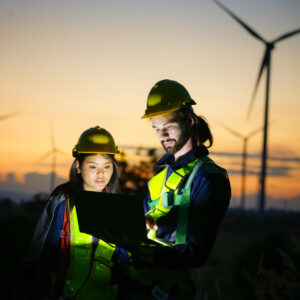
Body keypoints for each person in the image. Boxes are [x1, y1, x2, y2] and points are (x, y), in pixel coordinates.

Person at [117, 79, 231, 299]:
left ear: (189, 121)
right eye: (157, 129)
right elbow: (145, 232)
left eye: (168, 127)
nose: (162, 135)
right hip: (141, 286)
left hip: (177, 291)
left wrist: (143, 252)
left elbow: (196, 254)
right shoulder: (158, 180)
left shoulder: (208, 177)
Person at [26, 126, 128, 300]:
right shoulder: (62, 201)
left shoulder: (119, 207)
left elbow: (126, 258)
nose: (101, 174)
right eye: (93, 167)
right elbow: (40, 254)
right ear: (79, 167)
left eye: (107, 167)